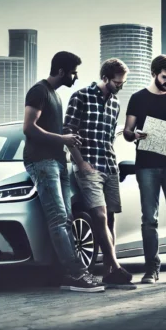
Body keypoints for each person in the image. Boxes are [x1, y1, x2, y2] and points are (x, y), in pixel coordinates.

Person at [22, 51, 104, 292]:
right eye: (74, 72)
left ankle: (65, 272)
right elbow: (28, 127)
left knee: (66, 219)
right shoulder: (39, 91)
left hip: (58, 162)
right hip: (42, 161)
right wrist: (63, 138)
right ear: (61, 71)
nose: (76, 77)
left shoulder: (55, 96)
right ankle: (77, 274)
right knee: (58, 218)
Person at [123, 55, 166, 285]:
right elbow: (126, 132)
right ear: (154, 74)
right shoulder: (137, 99)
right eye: (165, 77)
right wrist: (135, 135)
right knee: (149, 220)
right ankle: (151, 269)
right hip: (147, 166)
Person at [64, 58, 135, 288]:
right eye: (117, 83)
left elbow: (109, 137)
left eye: (123, 83)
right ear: (105, 77)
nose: (120, 87)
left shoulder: (115, 103)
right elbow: (68, 132)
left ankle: (108, 272)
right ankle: (116, 266)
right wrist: (81, 163)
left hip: (110, 166)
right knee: (100, 216)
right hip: (89, 166)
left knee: (111, 217)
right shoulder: (80, 96)